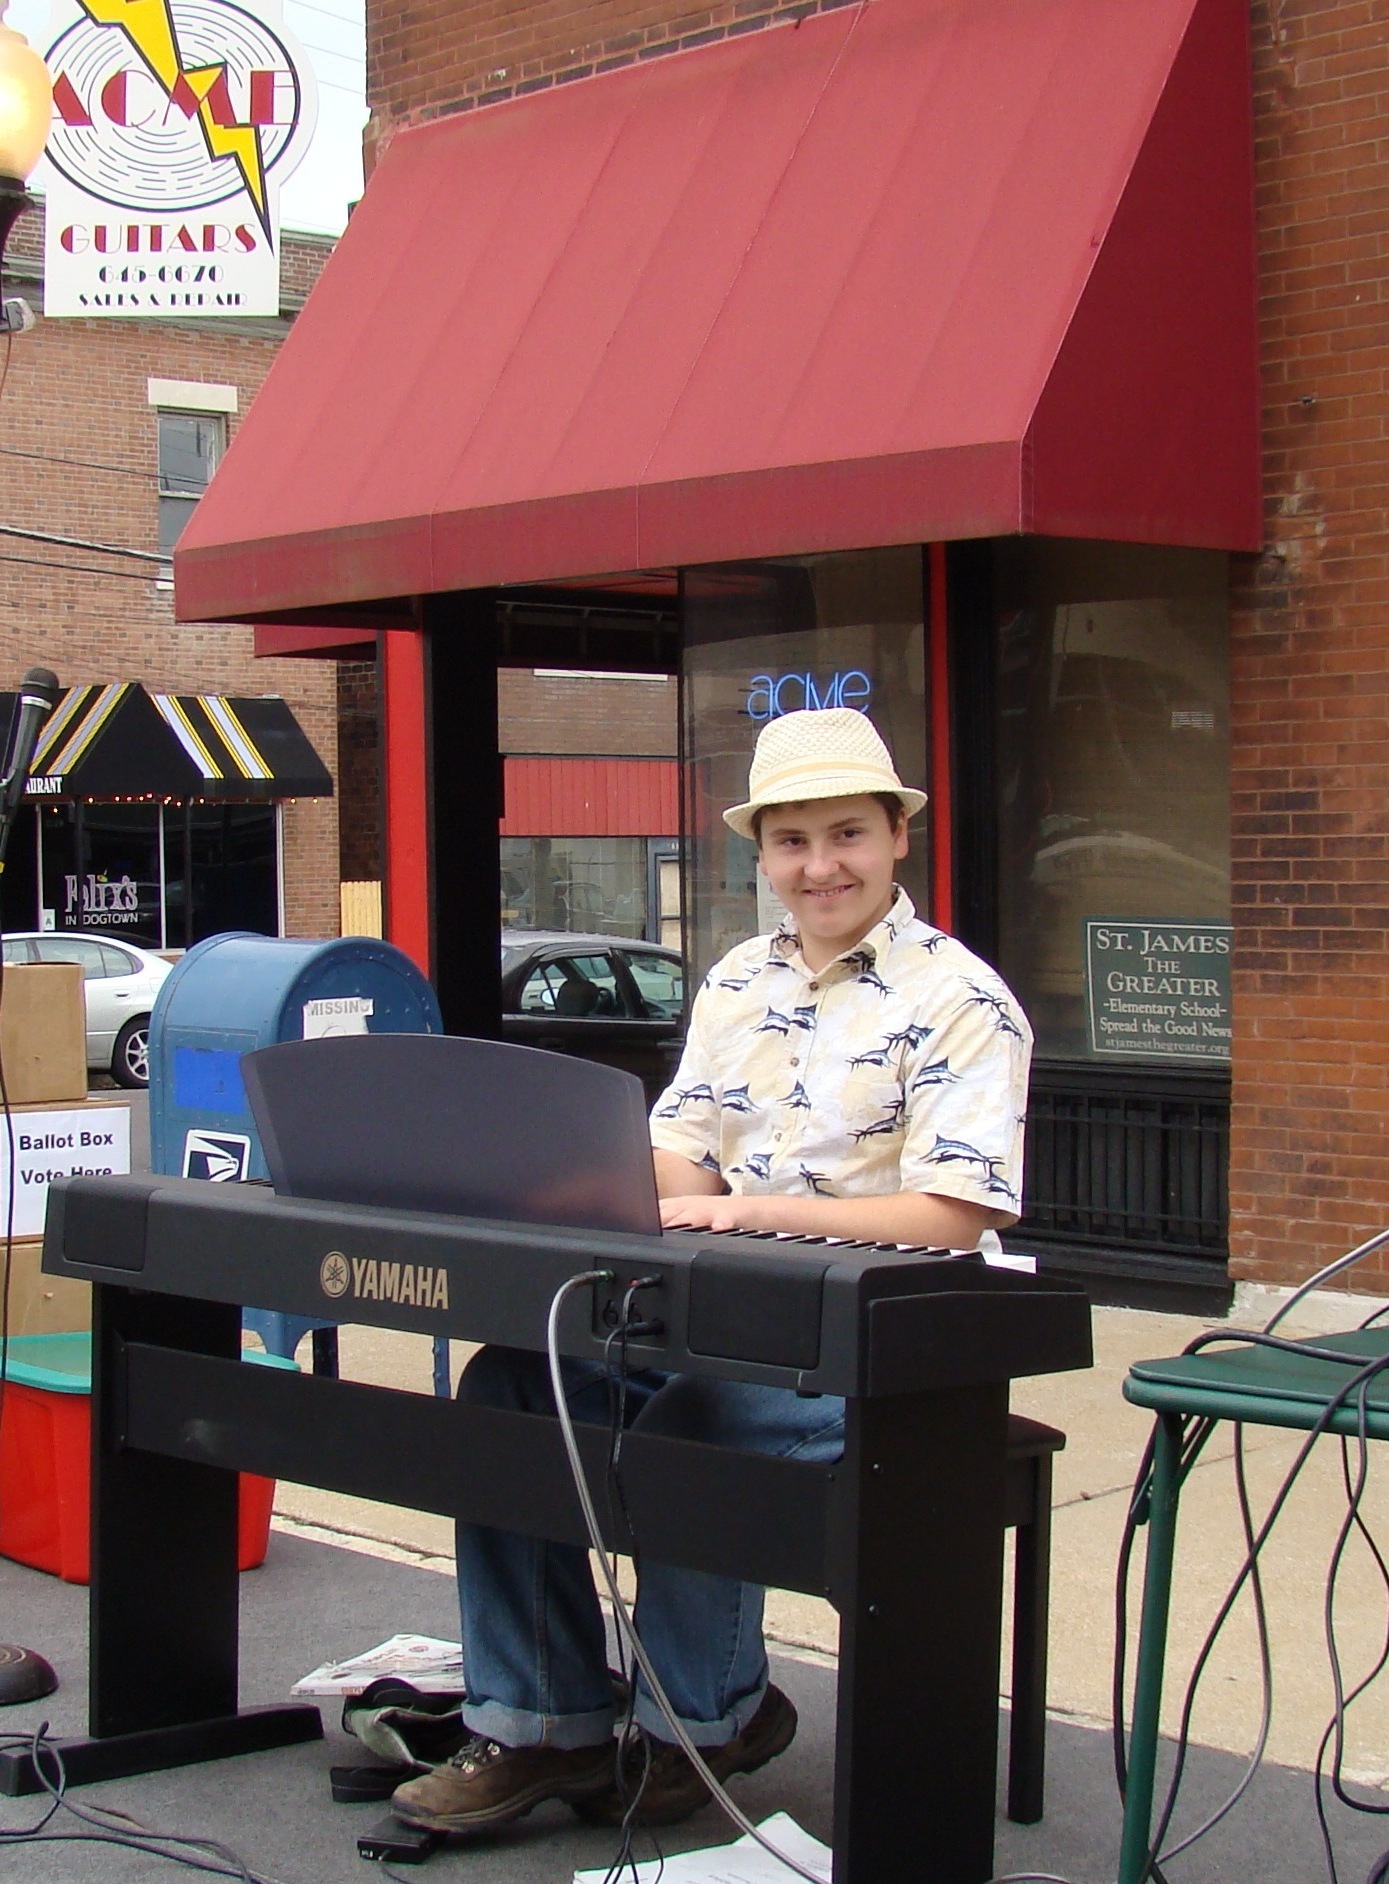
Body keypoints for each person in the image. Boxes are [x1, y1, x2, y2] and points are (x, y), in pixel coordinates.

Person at [391, 706, 1032, 1836]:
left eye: (846, 835)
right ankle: (544, 1727)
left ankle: (710, 1713)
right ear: (763, 853)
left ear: (897, 839)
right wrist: (561, 1181)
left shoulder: (966, 1001)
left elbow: (952, 1213)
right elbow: (680, 1146)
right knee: (507, 1392)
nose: (819, 864)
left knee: (695, 1419)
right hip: (712, 1314)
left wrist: (744, 1215)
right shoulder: (739, 979)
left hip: (880, 1356)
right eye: (792, 842)